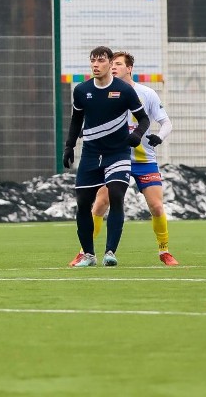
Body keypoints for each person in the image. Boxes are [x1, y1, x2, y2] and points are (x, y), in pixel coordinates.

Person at [68, 51, 178, 267]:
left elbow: (166, 122)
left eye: (119, 64)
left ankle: (164, 250)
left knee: (156, 206)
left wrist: (158, 136)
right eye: (114, 64)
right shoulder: (101, 91)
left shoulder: (146, 94)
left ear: (129, 68)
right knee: (99, 203)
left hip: (144, 159)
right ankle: (85, 252)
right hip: (114, 157)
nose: (115, 67)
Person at [63, 46, 150, 267]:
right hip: (91, 154)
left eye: (100, 61)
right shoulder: (82, 91)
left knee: (116, 195)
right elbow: (76, 121)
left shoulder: (124, 90)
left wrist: (137, 135)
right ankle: (89, 255)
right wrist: (69, 146)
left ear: (110, 64)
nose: (95, 64)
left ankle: (110, 252)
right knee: (83, 203)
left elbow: (144, 120)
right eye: (92, 60)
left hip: (117, 153)